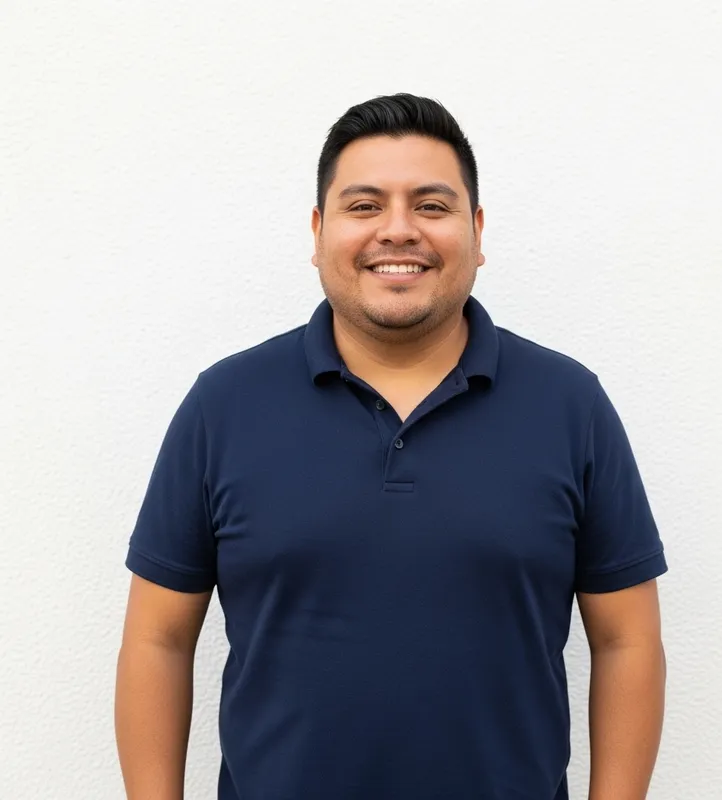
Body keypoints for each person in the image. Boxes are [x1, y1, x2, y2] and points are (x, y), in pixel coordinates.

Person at [115, 93, 667, 800]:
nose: (398, 230)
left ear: (476, 230)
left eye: (431, 206)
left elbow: (627, 642)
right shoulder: (223, 405)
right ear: (319, 232)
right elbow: (157, 641)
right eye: (365, 205)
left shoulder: (570, 405)